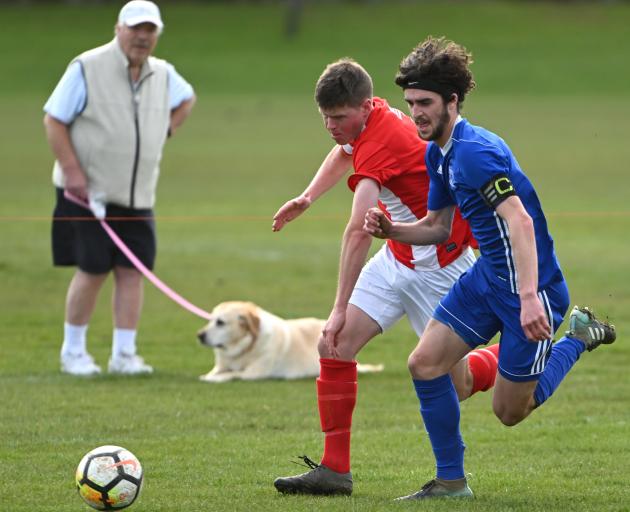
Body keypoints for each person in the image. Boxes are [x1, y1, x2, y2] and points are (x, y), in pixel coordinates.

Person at [363, 36, 617, 500]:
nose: (415, 113)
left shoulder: (475, 153)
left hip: (532, 288)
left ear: (452, 101)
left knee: (510, 411)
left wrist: (526, 301)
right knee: (424, 363)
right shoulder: (436, 153)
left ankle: (578, 337)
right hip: (486, 280)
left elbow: (519, 222)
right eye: (410, 103)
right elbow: (438, 228)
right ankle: (450, 482)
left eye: (425, 103)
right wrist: (392, 231)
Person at [272, 58, 500, 496]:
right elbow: (345, 150)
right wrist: (307, 196)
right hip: (398, 256)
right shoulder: (370, 114)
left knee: (461, 384)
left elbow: (358, 231)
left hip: (441, 267)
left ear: (361, 108)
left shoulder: (380, 142)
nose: (330, 126)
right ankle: (334, 471)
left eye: (338, 118)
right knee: (333, 344)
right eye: (324, 117)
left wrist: (338, 308)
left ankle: (518, 353)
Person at [43, 0, 196, 376]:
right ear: (119, 28)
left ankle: (124, 354)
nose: (142, 37)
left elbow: (187, 98)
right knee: (92, 269)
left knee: (132, 270)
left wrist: (165, 130)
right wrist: (72, 171)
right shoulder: (87, 66)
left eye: (149, 30)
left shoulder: (163, 74)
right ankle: (73, 351)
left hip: (138, 195)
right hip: (86, 192)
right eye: (135, 28)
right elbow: (54, 119)